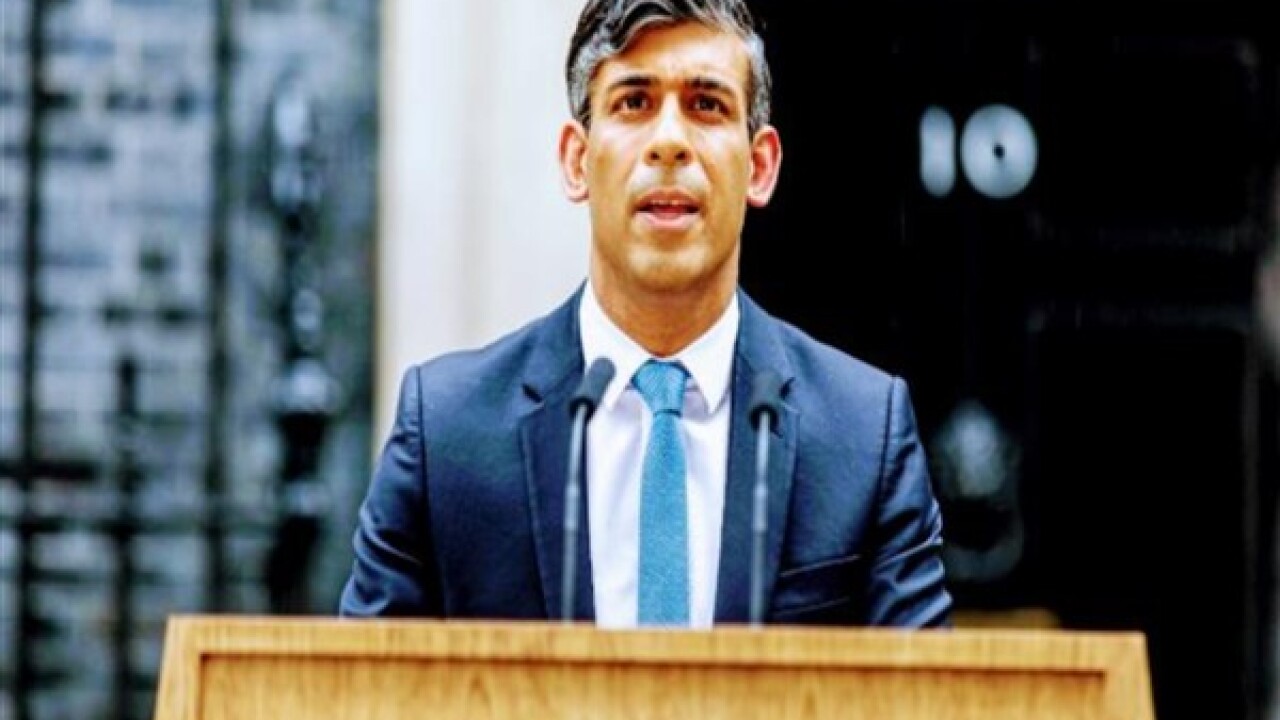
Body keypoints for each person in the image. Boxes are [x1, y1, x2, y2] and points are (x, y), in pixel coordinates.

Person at [340, 0, 952, 628]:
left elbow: (922, 679)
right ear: (577, 161)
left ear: (760, 166)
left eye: (706, 104)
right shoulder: (446, 429)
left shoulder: (863, 435)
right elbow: (362, 677)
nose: (668, 142)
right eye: (634, 102)